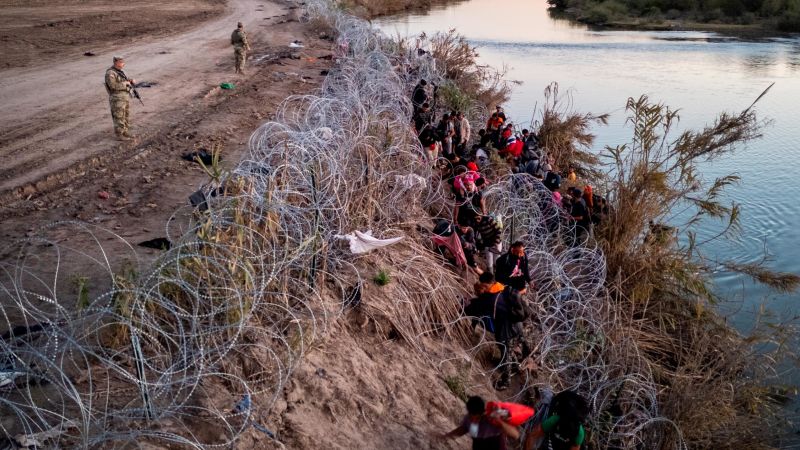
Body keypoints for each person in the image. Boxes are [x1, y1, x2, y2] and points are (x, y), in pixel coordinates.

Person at [442, 395, 520, 450]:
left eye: (476, 418)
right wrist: (445, 437)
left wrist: (500, 422)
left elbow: (516, 435)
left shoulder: (493, 420)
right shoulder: (469, 418)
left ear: (482, 413)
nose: (473, 420)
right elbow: (462, 430)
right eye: (471, 416)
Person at [104, 56, 136, 140]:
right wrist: (125, 84)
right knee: (119, 116)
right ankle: (119, 134)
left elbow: (124, 80)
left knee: (125, 115)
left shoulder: (120, 71)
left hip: (124, 97)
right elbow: (113, 86)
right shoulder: (110, 73)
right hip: (117, 98)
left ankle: (125, 131)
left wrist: (130, 81)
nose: (123, 64)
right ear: (116, 62)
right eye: (121, 62)